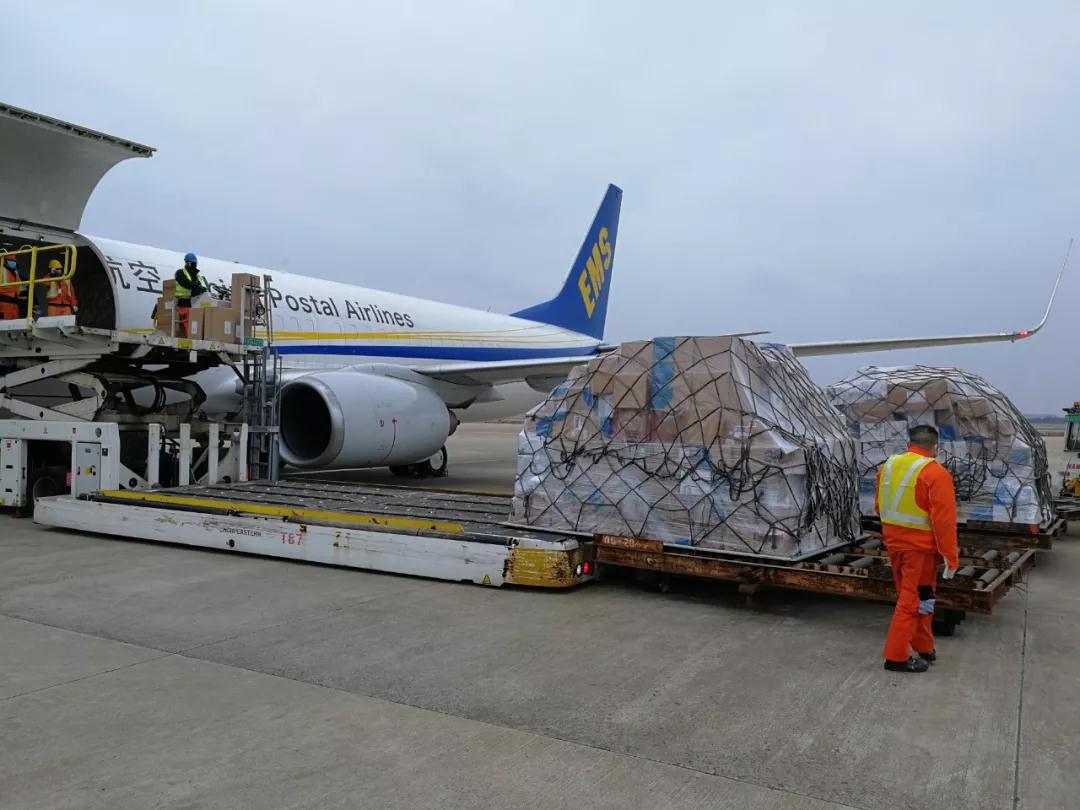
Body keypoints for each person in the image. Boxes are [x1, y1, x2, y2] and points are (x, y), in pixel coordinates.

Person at [875, 424, 960, 673]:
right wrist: (951, 557)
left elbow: (879, 507)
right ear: (936, 447)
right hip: (919, 551)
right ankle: (896, 657)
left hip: (895, 544)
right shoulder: (936, 473)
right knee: (912, 600)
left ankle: (924, 645)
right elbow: (944, 521)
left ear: (908, 444)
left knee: (923, 597)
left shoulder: (887, 466)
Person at [174, 252, 207, 337]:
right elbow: (185, 283)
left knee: (196, 323)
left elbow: (198, 286)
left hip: (194, 303)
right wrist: (197, 287)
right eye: (192, 263)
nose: (194, 265)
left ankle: (194, 336)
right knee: (189, 324)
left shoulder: (197, 276)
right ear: (187, 263)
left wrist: (201, 289)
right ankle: (191, 337)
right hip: (183, 302)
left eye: (195, 263)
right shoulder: (180, 272)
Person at [0, 254, 20, 319]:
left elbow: (19, 290)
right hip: (4, 303)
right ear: (5, 261)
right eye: (10, 260)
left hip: (14, 304)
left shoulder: (15, 273)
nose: (13, 262)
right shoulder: (1, 270)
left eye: (14, 261)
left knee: (14, 323)